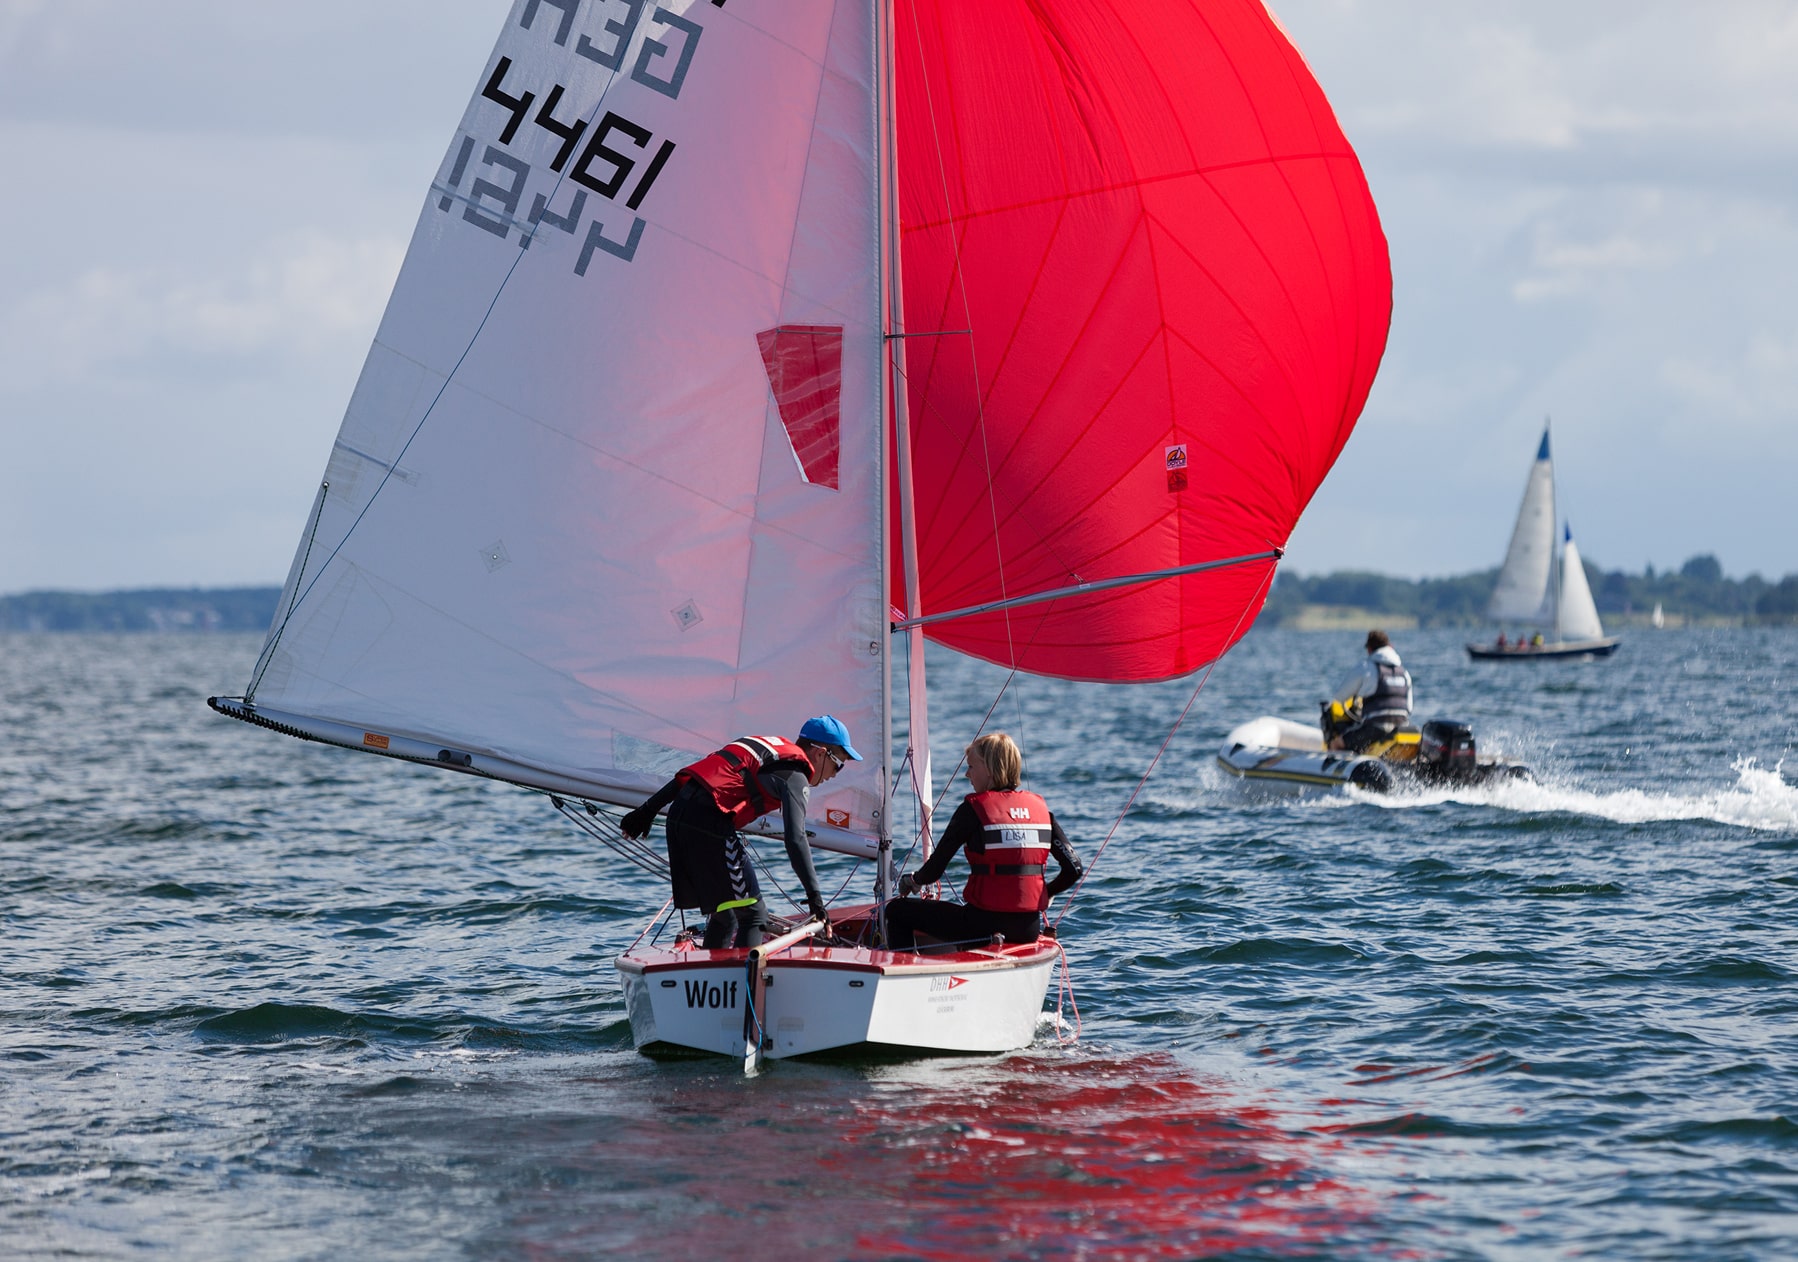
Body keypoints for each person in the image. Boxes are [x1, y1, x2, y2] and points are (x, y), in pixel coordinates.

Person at [620, 716, 860, 950]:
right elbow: (795, 837)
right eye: (838, 765)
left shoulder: (765, 748)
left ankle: (713, 978)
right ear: (821, 753)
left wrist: (646, 811)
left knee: (726, 914)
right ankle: (742, 984)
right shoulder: (796, 776)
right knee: (755, 916)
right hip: (710, 825)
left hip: (679, 818)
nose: (833, 775)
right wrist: (815, 899)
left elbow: (696, 776)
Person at [885, 733, 1083, 953]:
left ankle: (905, 973)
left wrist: (912, 880)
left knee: (896, 911)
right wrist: (1044, 893)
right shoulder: (1043, 813)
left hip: (980, 927)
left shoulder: (972, 810)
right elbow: (1074, 868)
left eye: (971, 767)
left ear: (989, 768)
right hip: (1027, 929)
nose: (967, 774)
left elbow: (934, 870)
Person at [1326, 629, 1413, 751]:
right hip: (1402, 728)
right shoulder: (1404, 673)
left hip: (1375, 730)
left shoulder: (1366, 667)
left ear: (1369, 649)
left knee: (1337, 743)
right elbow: (1409, 708)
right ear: (1390, 646)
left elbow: (1340, 697)